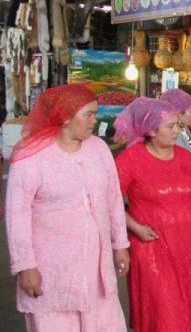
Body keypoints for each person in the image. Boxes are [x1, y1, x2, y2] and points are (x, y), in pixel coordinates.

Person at [5, 84, 130, 332]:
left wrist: (120, 245)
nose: (95, 120)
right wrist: (25, 265)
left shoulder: (99, 149)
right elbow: (16, 214)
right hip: (52, 270)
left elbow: (113, 199)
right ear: (65, 117)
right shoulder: (31, 157)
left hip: (96, 267)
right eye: (89, 114)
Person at [114, 98, 191, 332]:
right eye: (170, 126)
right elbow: (108, 202)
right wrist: (135, 227)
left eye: (178, 125)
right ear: (151, 130)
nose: (177, 131)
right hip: (151, 249)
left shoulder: (185, 159)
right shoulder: (130, 160)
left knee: (189, 307)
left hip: (188, 249)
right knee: (162, 310)